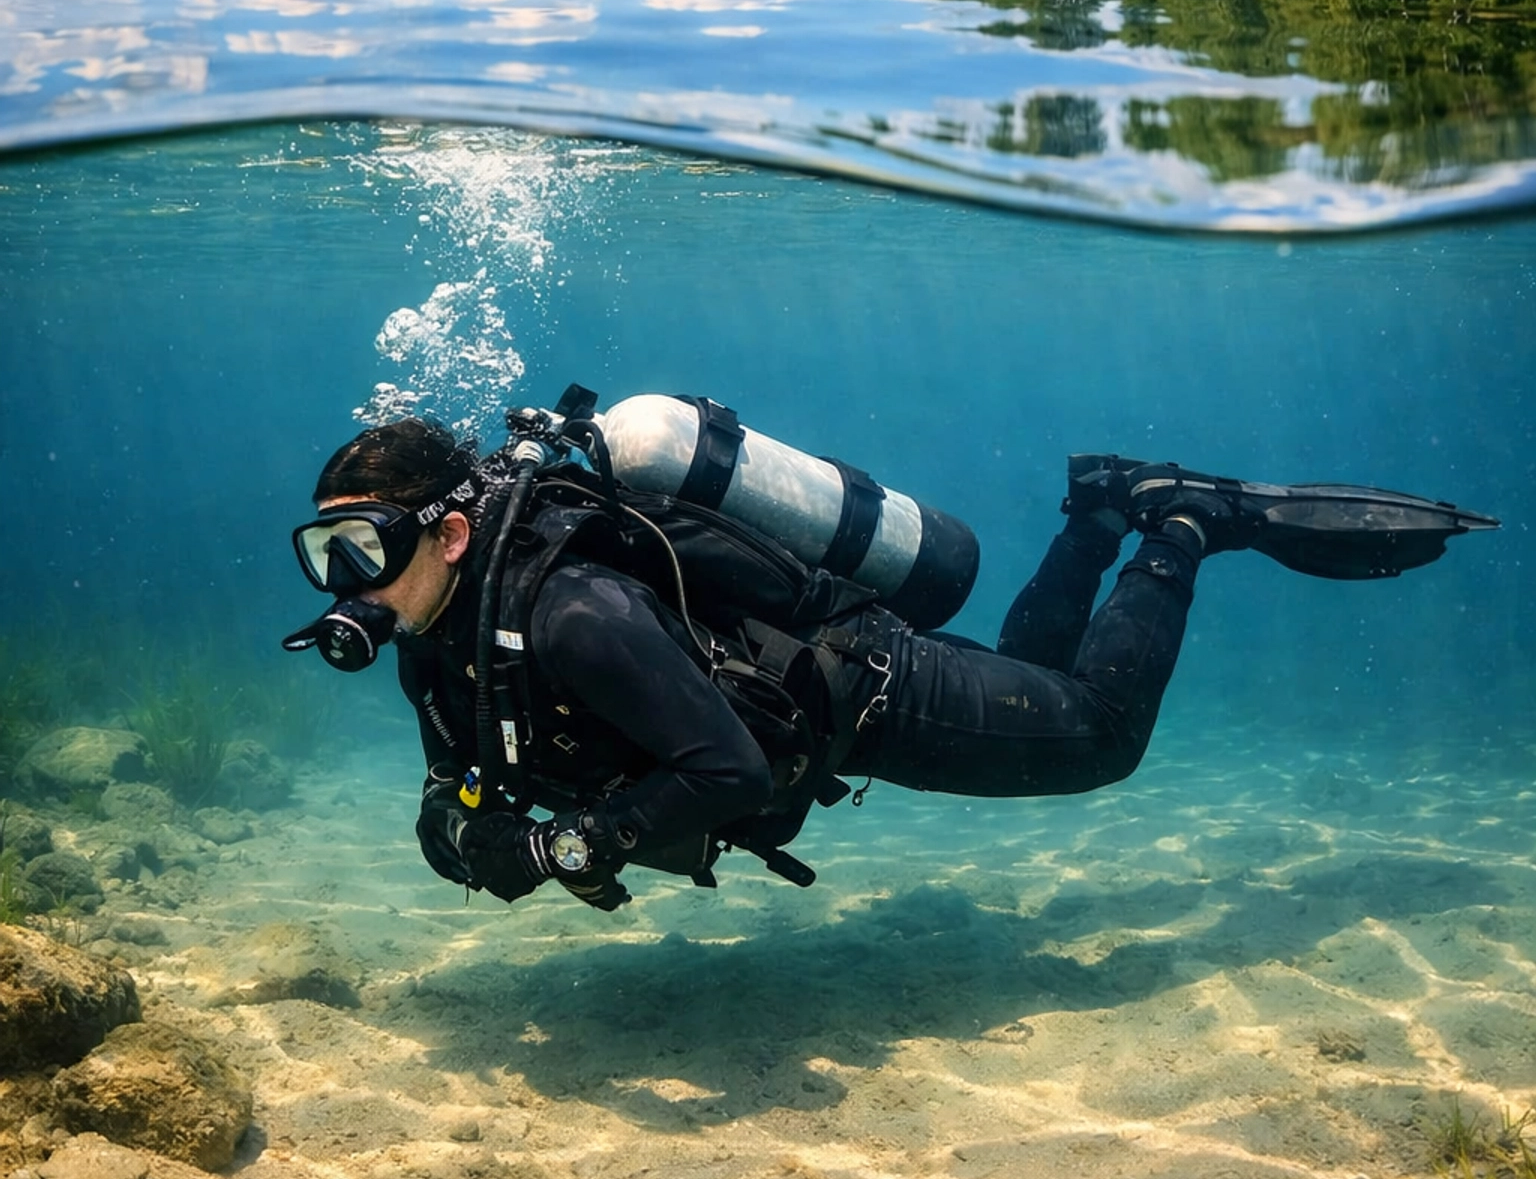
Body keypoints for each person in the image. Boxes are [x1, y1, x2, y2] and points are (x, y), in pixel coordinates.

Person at [282, 407, 1493, 914]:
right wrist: (470, 840)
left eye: (364, 549)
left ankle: (1179, 523)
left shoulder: (571, 614)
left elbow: (726, 772)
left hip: (870, 691)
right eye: (326, 556)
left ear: (449, 533)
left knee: (1097, 735)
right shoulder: (440, 635)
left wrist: (567, 848)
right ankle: (1099, 512)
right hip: (834, 689)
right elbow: (454, 788)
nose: (348, 585)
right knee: (1036, 683)